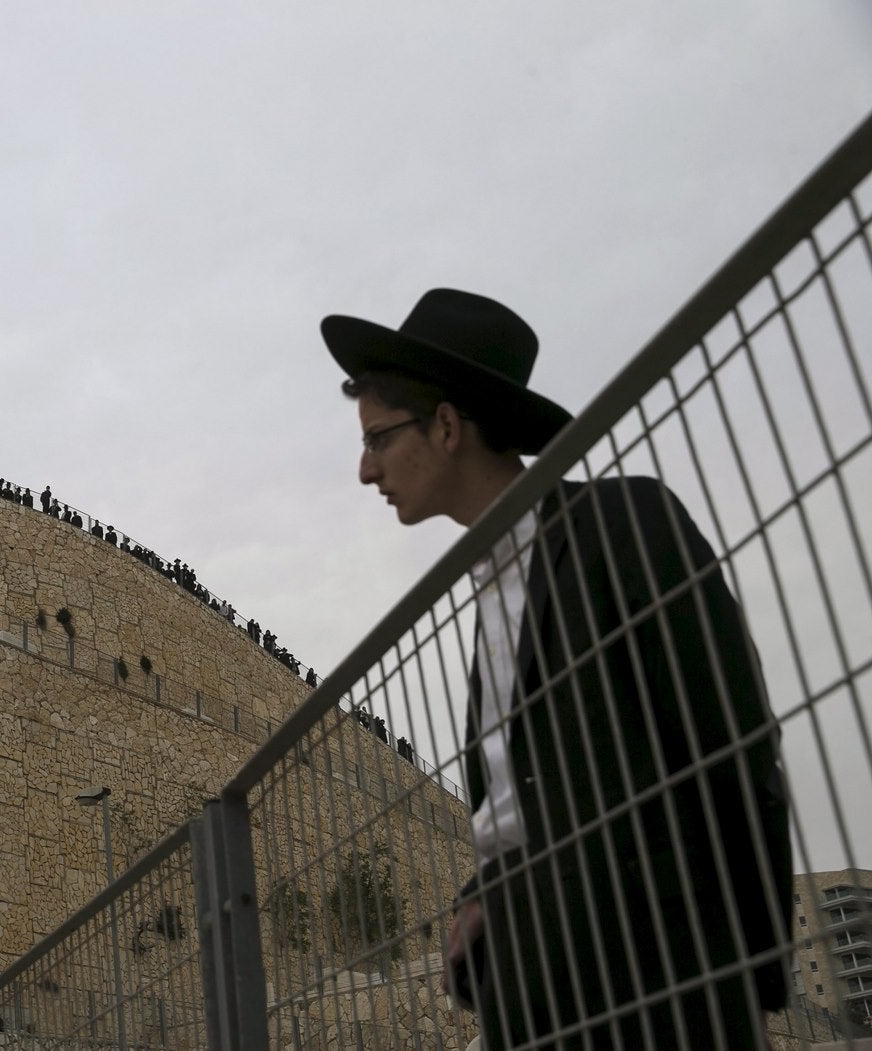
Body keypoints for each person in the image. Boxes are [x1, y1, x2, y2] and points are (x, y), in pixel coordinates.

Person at [321, 288, 791, 1050]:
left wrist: (750, 973)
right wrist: (484, 898)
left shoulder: (623, 525)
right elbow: (531, 797)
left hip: (659, 981)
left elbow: (732, 735)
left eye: (378, 438)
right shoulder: (487, 599)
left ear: (445, 427)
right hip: (535, 990)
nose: (365, 468)